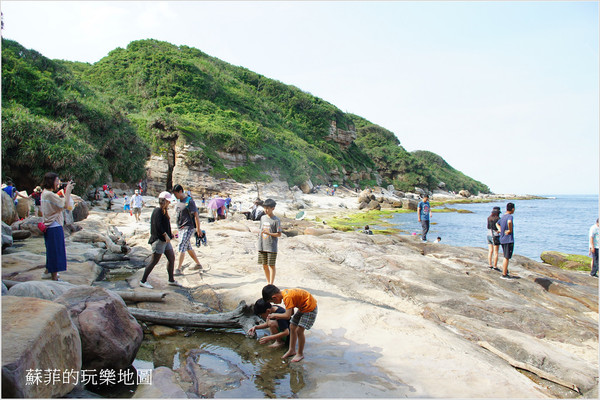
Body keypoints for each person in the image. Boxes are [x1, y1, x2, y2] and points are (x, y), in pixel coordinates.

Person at [262, 284, 318, 362]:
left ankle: (300, 354)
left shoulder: (287, 297)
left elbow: (287, 316)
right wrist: (280, 316)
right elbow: (291, 313)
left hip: (310, 308)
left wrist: (275, 315)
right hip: (303, 307)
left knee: (299, 330)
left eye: (273, 301)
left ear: (274, 297)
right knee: (292, 326)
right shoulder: (285, 294)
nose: (275, 303)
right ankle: (291, 350)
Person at [139, 191, 180, 288]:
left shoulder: (164, 211)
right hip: (159, 240)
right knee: (154, 261)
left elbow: (166, 226)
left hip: (165, 241)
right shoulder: (158, 211)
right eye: (168, 201)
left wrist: (170, 235)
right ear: (164, 201)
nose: (169, 203)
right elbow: (158, 225)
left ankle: (171, 279)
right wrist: (165, 235)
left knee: (171, 258)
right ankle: (143, 281)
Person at [40, 173, 75, 281]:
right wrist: (68, 190)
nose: (58, 183)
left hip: (50, 226)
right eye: (56, 181)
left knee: (51, 250)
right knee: (56, 251)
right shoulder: (49, 195)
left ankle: (47, 271)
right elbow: (64, 205)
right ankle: (54, 277)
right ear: (51, 181)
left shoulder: (45, 193)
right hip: (54, 226)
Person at [173, 184, 204, 275]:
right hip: (181, 228)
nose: (175, 196)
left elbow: (196, 215)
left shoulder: (189, 201)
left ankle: (178, 269)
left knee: (181, 245)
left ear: (180, 191)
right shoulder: (179, 202)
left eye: (176, 194)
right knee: (187, 247)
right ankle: (198, 264)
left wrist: (198, 229)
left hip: (188, 227)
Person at [258, 199, 282, 285]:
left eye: (268, 208)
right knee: (264, 265)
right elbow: (260, 229)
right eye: (265, 208)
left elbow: (279, 234)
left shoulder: (276, 220)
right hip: (262, 245)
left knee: (271, 265)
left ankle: (271, 284)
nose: (266, 210)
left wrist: (269, 233)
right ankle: (268, 282)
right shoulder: (262, 218)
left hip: (271, 246)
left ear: (273, 208)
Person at [496, 202, 515, 279]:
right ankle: (504, 274)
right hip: (508, 239)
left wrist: (500, 229)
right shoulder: (509, 216)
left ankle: (505, 271)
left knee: (505, 255)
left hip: (502, 238)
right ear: (513, 209)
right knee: (506, 257)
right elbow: (509, 222)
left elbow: (497, 224)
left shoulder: (503, 216)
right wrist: (510, 230)